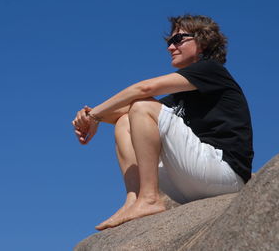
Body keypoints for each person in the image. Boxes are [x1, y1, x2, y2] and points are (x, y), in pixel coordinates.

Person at [72, 14, 254, 231]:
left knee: (141, 105)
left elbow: (143, 90)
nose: (170, 47)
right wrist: (95, 118)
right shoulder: (179, 96)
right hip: (191, 182)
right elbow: (128, 115)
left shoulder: (211, 70)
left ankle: (150, 199)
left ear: (203, 42)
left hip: (225, 173)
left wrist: (94, 115)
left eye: (178, 40)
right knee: (124, 120)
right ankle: (134, 199)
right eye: (169, 42)